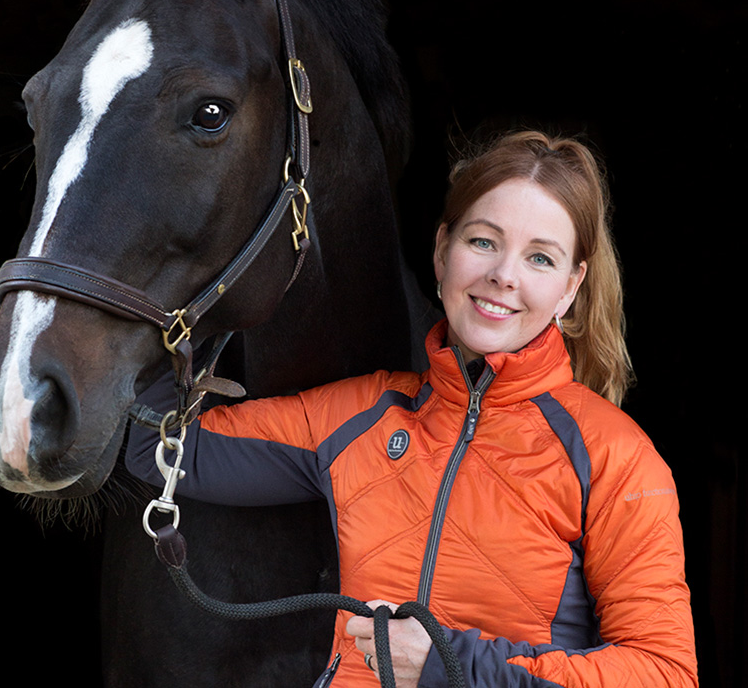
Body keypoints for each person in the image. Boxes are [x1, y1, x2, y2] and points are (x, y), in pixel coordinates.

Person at [126, 130, 698, 688]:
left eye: (540, 259)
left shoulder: (614, 456)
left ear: (571, 289)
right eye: (483, 241)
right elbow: (163, 449)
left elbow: (665, 672)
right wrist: (186, 258)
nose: (504, 274)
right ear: (441, 250)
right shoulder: (360, 414)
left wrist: (449, 666)